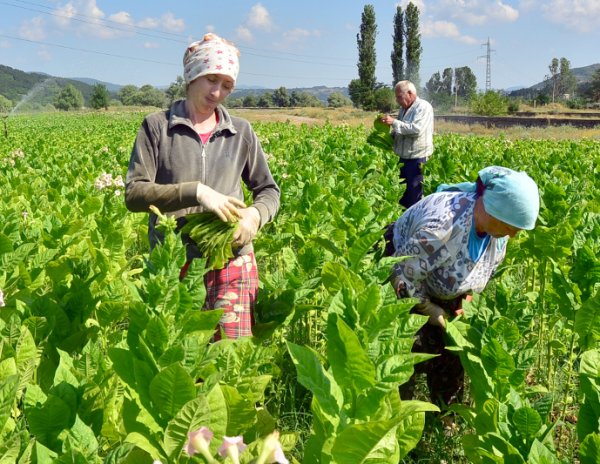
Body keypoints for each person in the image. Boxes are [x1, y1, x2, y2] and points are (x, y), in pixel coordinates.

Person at [125, 33, 280, 340]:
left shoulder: (241, 132)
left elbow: (268, 190)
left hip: (232, 259)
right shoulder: (157, 127)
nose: (217, 92)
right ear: (192, 76)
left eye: (226, 85)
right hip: (175, 262)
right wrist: (195, 191)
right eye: (211, 80)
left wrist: (255, 216)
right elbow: (134, 194)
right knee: (183, 362)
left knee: (229, 360)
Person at [388, 166, 539, 407]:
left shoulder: (497, 232)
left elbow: (483, 270)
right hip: (404, 276)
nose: (513, 235)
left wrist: (466, 299)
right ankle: (398, 416)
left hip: (442, 284)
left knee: (453, 350)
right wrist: (430, 310)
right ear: (495, 210)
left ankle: (445, 416)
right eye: (512, 227)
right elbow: (402, 275)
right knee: (407, 349)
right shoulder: (442, 229)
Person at [380, 80, 434, 209]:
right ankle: (402, 223)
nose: (397, 100)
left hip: (417, 159)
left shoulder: (423, 107)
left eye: (399, 96)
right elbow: (401, 129)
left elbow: (416, 129)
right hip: (404, 159)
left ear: (410, 93)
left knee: (414, 195)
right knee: (403, 194)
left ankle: (413, 225)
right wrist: (386, 136)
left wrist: (393, 122)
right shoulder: (403, 109)